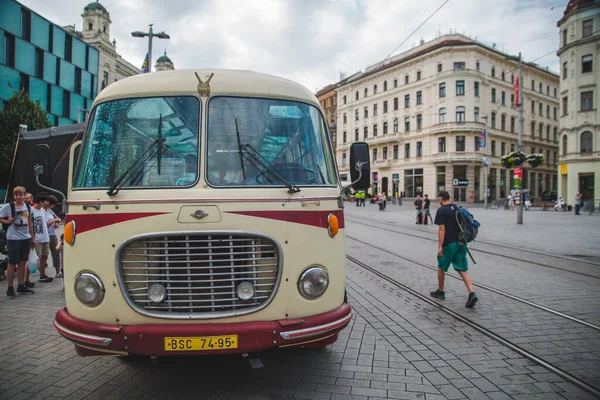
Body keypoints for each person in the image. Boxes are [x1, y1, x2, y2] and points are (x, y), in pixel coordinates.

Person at [430, 191, 478, 308]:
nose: (438, 201)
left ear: (441, 198)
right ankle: (472, 292)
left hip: (449, 244)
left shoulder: (441, 211)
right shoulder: (457, 208)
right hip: (461, 243)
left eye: (438, 199)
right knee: (462, 269)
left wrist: (440, 247)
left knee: (441, 266)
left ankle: (441, 291)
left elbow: (442, 229)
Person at [0, 186, 35, 298]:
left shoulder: (28, 207)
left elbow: (30, 222)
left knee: (22, 262)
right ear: (14, 196)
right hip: (13, 238)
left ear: (25, 196)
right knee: (12, 263)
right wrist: (6, 220)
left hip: (25, 237)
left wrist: (32, 237)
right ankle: (10, 288)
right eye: (17, 195)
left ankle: (21, 285)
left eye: (21, 195)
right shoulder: (8, 206)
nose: (19, 197)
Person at [31, 195, 53, 282]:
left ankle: (42, 274)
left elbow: (46, 224)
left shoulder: (43, 211)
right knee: (36, 258)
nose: (47, 203)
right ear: (41, 201)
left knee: (44, 256)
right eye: (46, 201)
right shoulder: (32, 210)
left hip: (45, 237)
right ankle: (26, 278)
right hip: (37, 238)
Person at [45, 195, 62, 277]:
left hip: (52, 234)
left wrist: (56, 223)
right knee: (44, 254)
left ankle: (58, 271)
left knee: (56, 252)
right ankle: (42, 272)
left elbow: (58, 219)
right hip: (46, 235)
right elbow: (45, 225)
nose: (53, 206)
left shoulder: (50, 211)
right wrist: (54, 221)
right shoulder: (42, 211)